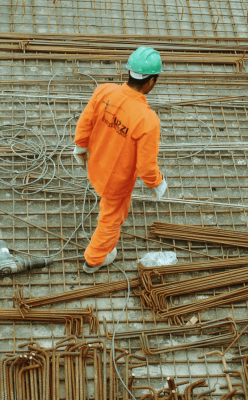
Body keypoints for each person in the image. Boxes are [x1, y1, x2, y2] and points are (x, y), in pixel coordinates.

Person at [73, 47, 167, 273]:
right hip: (116, 181)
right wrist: (157, 182)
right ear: (151, 82)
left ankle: (98, 253)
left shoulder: (104, 91)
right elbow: (146, 166)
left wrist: (80, 147)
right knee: (110, 220)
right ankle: (94, 259)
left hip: (95, 165)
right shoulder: (147, 120)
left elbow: (85, 122)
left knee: (107, 209)